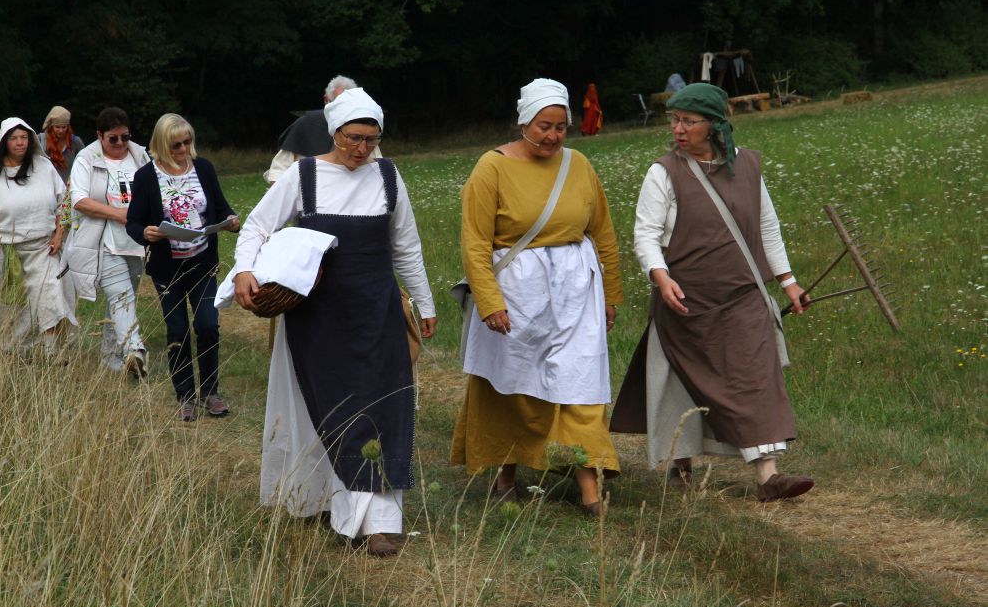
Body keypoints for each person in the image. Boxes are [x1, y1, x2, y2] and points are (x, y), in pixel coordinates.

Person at [234, 88, 437, 557]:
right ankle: (320, 497)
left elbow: (406, 246)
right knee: (327, 405)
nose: (361, 149)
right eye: (352, 138)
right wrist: (245, 270)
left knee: (381, 408)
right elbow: (257, 226)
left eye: (370, 139)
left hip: (376, 312)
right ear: (334, 132)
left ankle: (377, 522)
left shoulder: (388, 177)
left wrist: (424, 304)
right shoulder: (303, 175)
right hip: (318, 316)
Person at [610, 82, 814, 501]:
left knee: (756, 378)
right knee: (683, 383)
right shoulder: (664, 172)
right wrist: (661, 277)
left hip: (743, 297)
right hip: (687, 302)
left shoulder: (748, 166)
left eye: (688, 121)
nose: (678, 129)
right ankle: (681, 461)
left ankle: (768, 476)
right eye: (675, 120)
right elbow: (646, 234)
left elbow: (767, 227)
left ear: (715, 124)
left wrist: (788, 281)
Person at [450, 78, 624, 516]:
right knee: (515, 387)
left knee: (581, 383)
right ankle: (506, 473)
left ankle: (590, 490)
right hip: (518, 292)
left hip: (577, 291)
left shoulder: (579, 165)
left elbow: (602, 231)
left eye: (561, 127)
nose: (553, 136)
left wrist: (611, 293)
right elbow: (475, 242)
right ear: (523, 122)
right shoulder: (491, 168)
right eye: (544, 126)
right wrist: (489, 301)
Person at [126, 114, 240, 421]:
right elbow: (133, 223)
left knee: (207, 325)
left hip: (202, 262)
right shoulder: (146, 176)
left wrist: (230, 221)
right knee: (177, 329)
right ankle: (185, 395)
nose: (183, 149)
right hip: (167, 267)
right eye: (176, 145)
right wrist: (146, 233)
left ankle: (211, 392)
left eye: (187, 142)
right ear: (162, 144)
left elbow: (221, 206)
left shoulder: (203, 168)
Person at [0, 117, 75, 352]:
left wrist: (59, 235)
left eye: (24, 137)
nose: (20, 143)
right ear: (4, 142)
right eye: (14, 138)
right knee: (3, 303)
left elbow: (64, 203)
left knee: (49, 295)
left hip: (42, 246)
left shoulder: (44, 167)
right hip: (1, 248)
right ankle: (6, 348)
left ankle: (52, 351)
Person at [66, 107, 150, 377]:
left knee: (123, 298)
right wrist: (118, 214)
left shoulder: (140, 156)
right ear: (100, 136)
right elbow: (79, 200)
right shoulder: (87, 158)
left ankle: (110, 354)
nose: (120, 143)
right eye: (113, 138)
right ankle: (134, 351)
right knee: (120, 295)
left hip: (135, 241)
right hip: (103, 240)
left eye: (125, 137)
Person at [263, 75, 379, 185]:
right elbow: (278, 172)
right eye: (337, 104)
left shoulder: (364, 131)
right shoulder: (306, 124)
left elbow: (377, 171)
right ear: (326, 100)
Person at [37, 106, 84, 184]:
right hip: (45, 186)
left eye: (64, 127)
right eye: (57, 127)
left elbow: (85, 163)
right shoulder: (41, 140)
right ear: (51, 127)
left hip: (68, 188)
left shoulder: (75, 142)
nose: (61, 130)